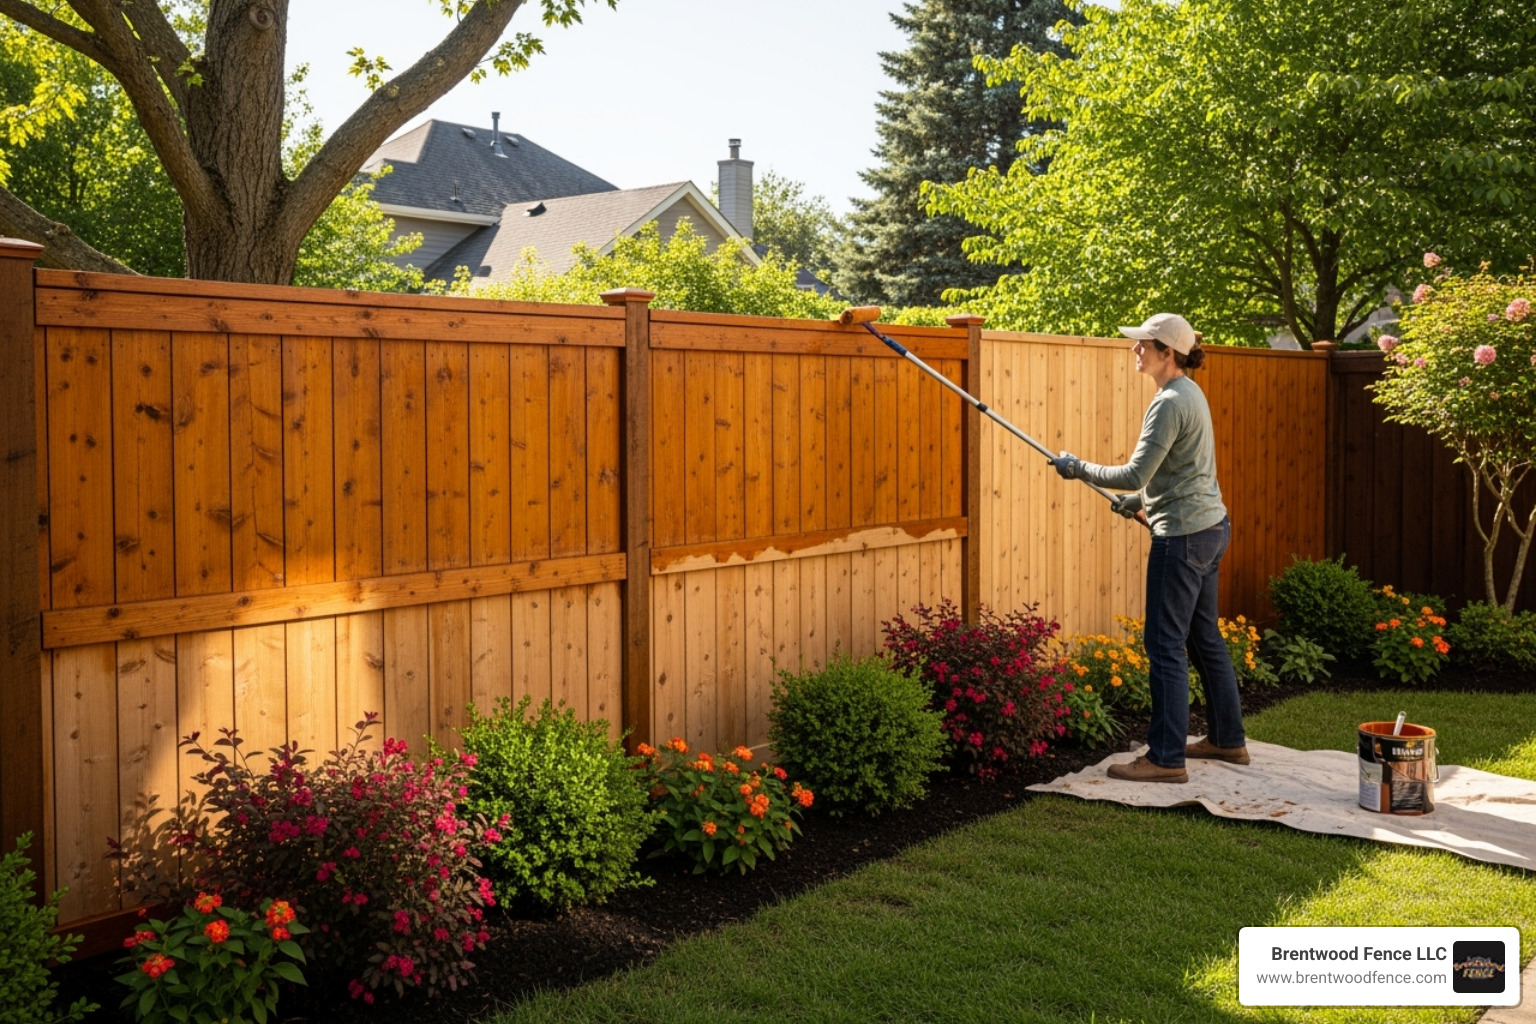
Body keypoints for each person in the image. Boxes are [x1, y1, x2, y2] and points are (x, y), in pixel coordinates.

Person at [1051, 313, 1247, 783]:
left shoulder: (1169, 403)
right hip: (1210, 528)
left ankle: (1165, 758)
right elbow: (1179, 470)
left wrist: (1077, 467)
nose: (1135, 349)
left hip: (1182, 538)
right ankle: (1227, 739)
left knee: (1164, 645)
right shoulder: (1189, 393)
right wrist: (1140, 502)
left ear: (1168, 353)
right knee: (1203, 638)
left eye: (1144, 344)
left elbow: (1136, 472)